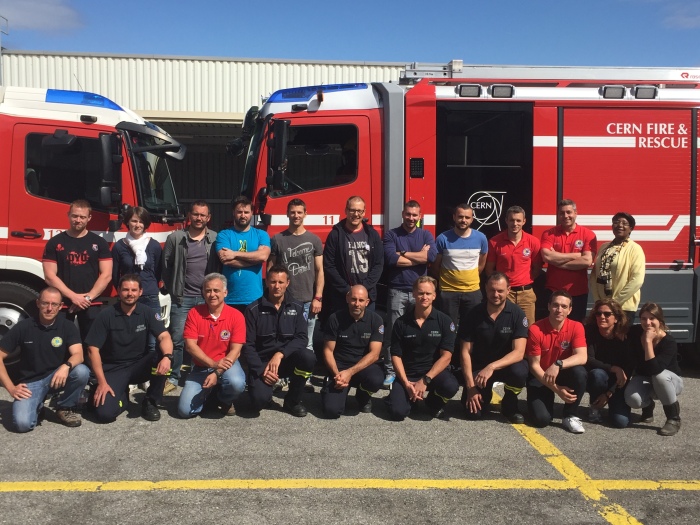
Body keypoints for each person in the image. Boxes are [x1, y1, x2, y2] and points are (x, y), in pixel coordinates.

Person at [85, 274, 174, 423]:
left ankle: (150, 401)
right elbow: (92, 349)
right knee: (105, 415)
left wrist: (167, 357)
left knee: (166, 355)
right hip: (114, 369)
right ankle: (121, 397)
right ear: (119, 291)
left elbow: (164, 336)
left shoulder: (147, 312)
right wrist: (102, 382)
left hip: (138, 366)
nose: (130, 294)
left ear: (140, 292)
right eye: (125, 290)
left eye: (134, 290)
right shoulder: (106, 315)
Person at [0, 287, 90, 432]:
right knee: (23, 424)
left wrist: (65, 366)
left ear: (60, 306)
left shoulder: (66, 326)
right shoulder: (24, 327)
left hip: (56, 377)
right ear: (38, 303)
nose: (49, 308)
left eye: (54, 304)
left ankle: (64, 407)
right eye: (45, 303)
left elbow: (78, 355)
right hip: (31, 382)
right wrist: (11, 387)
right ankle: (38, 405)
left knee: (81, 372)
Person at [162, 200, 220, 394]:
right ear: (189, 216)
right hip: (183, 298)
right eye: (195, 214)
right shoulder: (176, 238)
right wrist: (173, 289)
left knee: (206, 339)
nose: (199, 218)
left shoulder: (215, 238)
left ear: (208, 218)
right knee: (178, 339)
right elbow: (166, 266)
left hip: (207, 299)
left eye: (203, 215)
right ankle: (173, 376)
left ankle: (203, 372)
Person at [241, 265, 314, 417]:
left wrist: (280, 354)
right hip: (263, 364)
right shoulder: (253, 309)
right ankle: (265, 394)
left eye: (281, 282)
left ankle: (292, 401)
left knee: (308, 357)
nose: (277, 286)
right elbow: (248, 346)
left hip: (286, 360)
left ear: (288, 283)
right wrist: (262, 371)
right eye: (273, 282)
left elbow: (301, 338)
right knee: (257, 403)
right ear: (266, 282)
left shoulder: (297, 307)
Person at [459, 273, 529, 423]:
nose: (495, 294)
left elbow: (519, 353)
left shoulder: (517, 314)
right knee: (473, 415)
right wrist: (471, 388)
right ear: (485, 289)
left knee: (520, 371)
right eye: (492, 290)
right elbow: (465, 352)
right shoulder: (473, 314)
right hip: (480, 370)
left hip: (505, 367)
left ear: (508, 290)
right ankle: (484, 394)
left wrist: (492, 366)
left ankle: (509, 403)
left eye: (500, 291)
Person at [382, 200, 437, 387]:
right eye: (408, 214)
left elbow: (430, 257)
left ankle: (413, 369)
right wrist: (418, 258)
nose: (411, 218)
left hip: (420, 293)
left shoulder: (426, 234)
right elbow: (391, 259)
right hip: (397, 290)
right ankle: (390, 371)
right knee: (393, 331)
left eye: (415, 215)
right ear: (402, 214)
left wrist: (403, 253)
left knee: (418, 331)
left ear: (419, 216)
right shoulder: (391, 234)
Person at [387, 276, 459, 421]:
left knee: (451, 386)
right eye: (420, 293)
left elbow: (447, 357)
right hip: (408, 375)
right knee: (398, 412)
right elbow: (395, 355)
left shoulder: (444, 321)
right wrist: (406, 383)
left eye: (428, 293)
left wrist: (425, 380)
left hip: (432, 374)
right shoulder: (401, 323)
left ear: (434, 296)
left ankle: (434, 402)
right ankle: (403, 397)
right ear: (414, 294)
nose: (424, 297)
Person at [42, 199, 112, 340]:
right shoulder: (55, 242)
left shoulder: (99, 243)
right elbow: (50, 276)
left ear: (89, 218)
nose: (78, 220)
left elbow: (106, 275)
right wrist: (73, 297)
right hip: (63, 303)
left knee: (92, 345)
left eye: (82, 217)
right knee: (58, 341)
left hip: (91, 303)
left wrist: (87, 298)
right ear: (68, 215)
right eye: (75, 216)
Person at [178, 273, 246, 418]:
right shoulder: (194, 313)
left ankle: (224, 400)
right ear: (203, 292)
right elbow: (190, 346)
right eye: (208, 290)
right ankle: (210, 395)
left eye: (216, 290)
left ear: (225, 292)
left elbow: (236, 350)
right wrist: (213, 364)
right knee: (185, 411)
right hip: (202, 366)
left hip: (228, 364)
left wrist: (216, 372)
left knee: (237, 383)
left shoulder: (236, 316)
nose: (212, 294)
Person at [268, 198, 324, 363]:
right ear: (287, 214)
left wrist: (318, 297)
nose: (296, 215)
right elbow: (271, 270)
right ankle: (282, 376)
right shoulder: (278, 239)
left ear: (305, 214)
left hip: (308, 300)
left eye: (299, 212)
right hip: (285, 300)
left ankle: (303, 377)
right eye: (292, 212)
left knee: (307, 342)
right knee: (283, 341)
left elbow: (319, 270)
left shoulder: (314, 240)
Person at [526, 290, 588, 433]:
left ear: (570, 310)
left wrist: (558, 364)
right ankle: (546, 400)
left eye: (564, 306)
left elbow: (582, 356)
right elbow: (534, 365)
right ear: (548, 306)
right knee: (541, 420)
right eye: (555, 305)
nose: (559, 310)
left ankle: (570, 415)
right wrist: (557, 390)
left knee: (580, 372)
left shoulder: (576, 326)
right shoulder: (535, 329)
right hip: (541, 376)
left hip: (560, 371)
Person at [321, 285, 384, 418]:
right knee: (332, 411)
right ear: (347, 299)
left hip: (363, 367)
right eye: (354, 299)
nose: (357, 304)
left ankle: (363, 395)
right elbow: (327, 350)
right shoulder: (335, 318)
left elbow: (374, 354)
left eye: (361, 300)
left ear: (367, 302)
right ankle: (329, 389)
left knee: (376, 379)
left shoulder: (376, 320)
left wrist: (350, 372)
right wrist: (338, 375)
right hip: (339, 368)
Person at [625, 302, 683, 436]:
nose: (648, 322)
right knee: (632, 399)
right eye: (644, 318)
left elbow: (654, 369)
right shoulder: (635, 332)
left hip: (670, 382)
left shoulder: (669, 342)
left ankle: (673, 419)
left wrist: (648, 342)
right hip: (645, 378)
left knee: (659, 376)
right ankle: (648, 407)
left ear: (660, 321)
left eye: (652, 318)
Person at [322, 196, 383, 321]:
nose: (356, 214)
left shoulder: (372, 234)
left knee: (365, 332)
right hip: (342, 297)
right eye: (352, 210)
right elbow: (329, 265)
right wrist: (347, 290)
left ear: (364, 212)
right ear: (346, 211)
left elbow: (378, 264)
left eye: (359, 211)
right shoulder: (335, 234)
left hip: (367, 297)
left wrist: (364, 289)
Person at [111, 206, 162, 356]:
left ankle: (149, 376)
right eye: (134, 221)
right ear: (127, 222)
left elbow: (158, 271)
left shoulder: (154, 245)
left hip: (150, 297)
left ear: (146, 224)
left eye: (141, 221)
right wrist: (123, 292)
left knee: (153, 339)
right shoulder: (120, 246)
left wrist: (151, 286)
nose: (137, 225)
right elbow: (115, 275)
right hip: (128, 299)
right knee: (131, 337)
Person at [431, 203, 488, 329]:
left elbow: (481, 264)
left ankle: (465, 350)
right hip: (448, 292)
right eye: (460, 217)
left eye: (467, 217)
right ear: (454, 217)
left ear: (472, 219)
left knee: (470, 329)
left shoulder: (481, 238)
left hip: (472, 292)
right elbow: (435, 266)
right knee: (447, 328)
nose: (463, 220)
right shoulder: (442, 238)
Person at [540, 199, 597, 321]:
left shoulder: (588, 234)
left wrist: (557, 260)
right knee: (552, 327)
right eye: (561, 213)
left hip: (577, 292)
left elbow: (587, 261)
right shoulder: (549, 234)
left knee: (576, 328)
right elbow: (547, 257)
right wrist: (576, 255)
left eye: (569, 212)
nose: (565, 216)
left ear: (576, 213)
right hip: (553, 291)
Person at [485, 206, 542, 325]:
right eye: (511, 220)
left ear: (524, 221)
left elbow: (537, 269)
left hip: (526, 293)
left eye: (518, 220)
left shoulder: (533, 242)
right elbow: (489, 270)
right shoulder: (495, 242)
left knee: (529, 327)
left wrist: (525, 280)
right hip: (505, 293)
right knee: (503, 326)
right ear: (506, 220)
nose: (515, 223)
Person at [584, 299, 634, 428]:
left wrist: (609, 393)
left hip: (618, 383)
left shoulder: (625, 336)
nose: (602, 317)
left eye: (607, 314)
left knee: (620, 422)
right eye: (598, 313)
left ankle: (648, 405)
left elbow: (628, 368)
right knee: (597, 374)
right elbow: (589, 359)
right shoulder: (590, 331)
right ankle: (595, 407)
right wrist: (613, 368)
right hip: (599, 378)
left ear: (616, 318)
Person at [215, 195, 271, 313]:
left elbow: (263, 256)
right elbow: (225, 259)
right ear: (233, 213)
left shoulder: (261, 234)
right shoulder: (224, 235)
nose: (243, 215)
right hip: (229, 298)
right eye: (239, 212)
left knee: (253, 332)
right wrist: (255, 260)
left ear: (251, 213)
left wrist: (234, 254)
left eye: (246, 212)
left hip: (254, 297)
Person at [590, 212, 645, 324]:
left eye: (624, 223)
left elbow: (637, 280)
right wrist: (598, 301)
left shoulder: (635, 249)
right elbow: (594, 276)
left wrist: (615, 303)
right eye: (616, 222)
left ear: (631, 229)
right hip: (602, 307)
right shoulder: (604, 247)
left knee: (620, 339)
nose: (620, 225)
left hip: (623, 308)